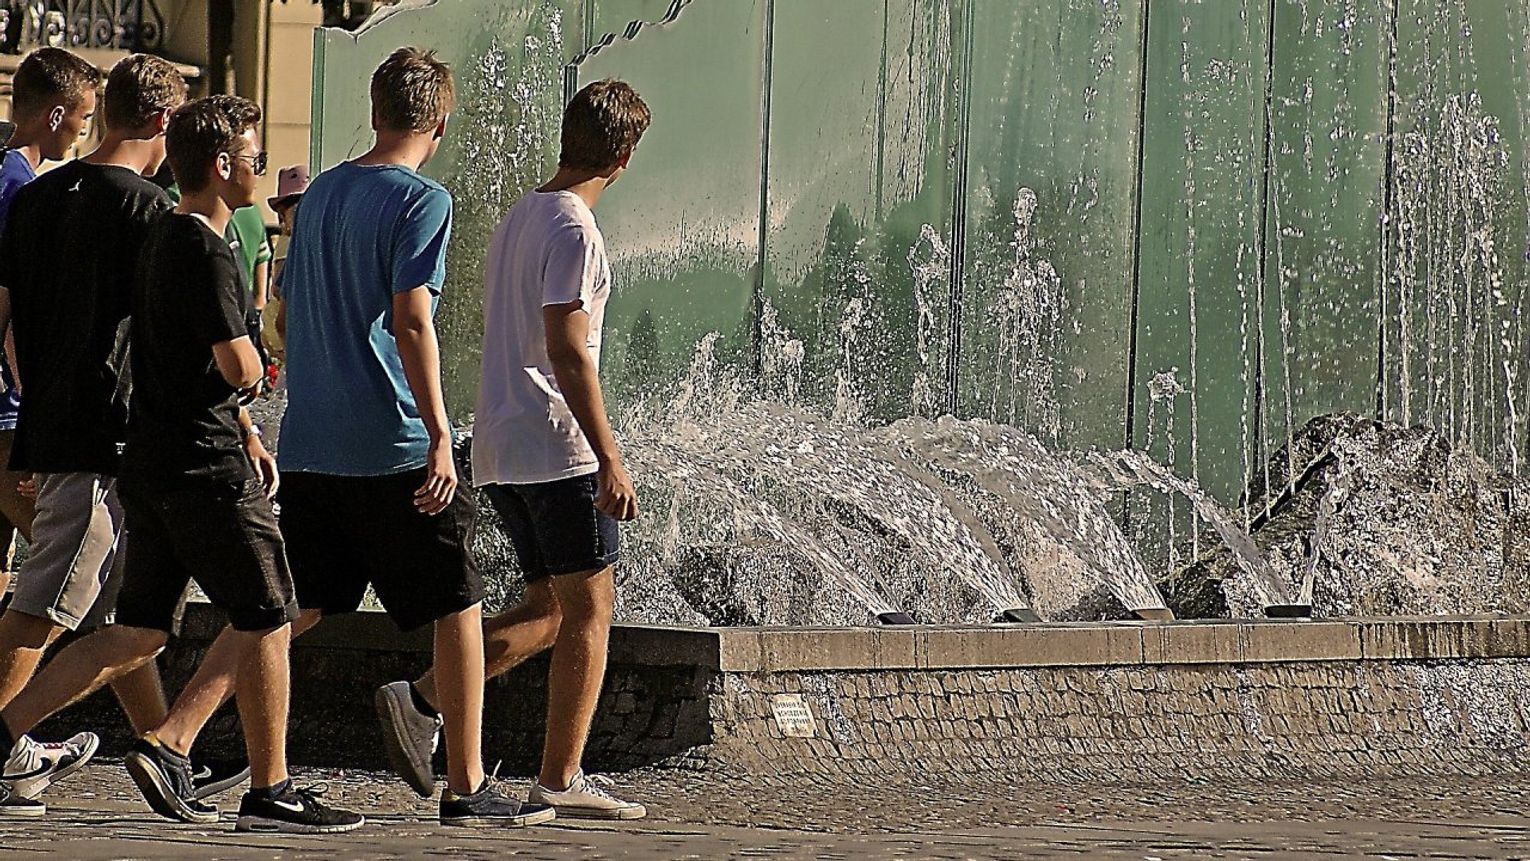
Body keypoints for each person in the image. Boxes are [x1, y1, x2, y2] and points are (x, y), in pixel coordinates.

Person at [274, 47, 552, 827]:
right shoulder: (423, 200)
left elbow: (287, 317)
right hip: (390, 439)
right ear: (440, 122)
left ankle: (186, 731)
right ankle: (466, 784)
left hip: (309, 441)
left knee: (295, 604)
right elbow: (413, 319)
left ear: (374, 111)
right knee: (458, 601)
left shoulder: (319, 195)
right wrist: (437, 434)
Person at [377, 78, 650, 820]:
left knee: (548, 608)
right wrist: (609, 456)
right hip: (556, 444)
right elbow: (567, 348)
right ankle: (559, 777)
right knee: (591, 611)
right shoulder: (575, 230)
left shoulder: (523, 214)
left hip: (501, 442)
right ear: (623, 156)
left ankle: (422, 699)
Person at [112, 94, 361, 833]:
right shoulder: (206, 247)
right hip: (203, 462)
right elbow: (236, 362)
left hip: (163, 454)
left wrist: (248, 423)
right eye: (256, 159)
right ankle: (203, 755)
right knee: (272, 608)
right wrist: (252, 378)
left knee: (140, 628)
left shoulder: (163, 233)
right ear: (224, 166)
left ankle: (15, 729)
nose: (260, 170)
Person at [0, 53, 188, 815]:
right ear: (163, 121)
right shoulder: (149, 209)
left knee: (118, 613)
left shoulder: (37, 197)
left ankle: (168, 750)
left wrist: (32, 408)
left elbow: (6, 321)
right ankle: (3, 745)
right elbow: (162, 334)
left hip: (53, 422)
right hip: (102, 432)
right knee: (45, 603)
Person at [0, 47, 99, 621]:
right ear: (56, 115)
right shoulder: (24, 190)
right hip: (8, 406)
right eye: (84, 117)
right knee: (69, 559)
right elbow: (13, 301)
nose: (83, 132)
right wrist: (33, 396)